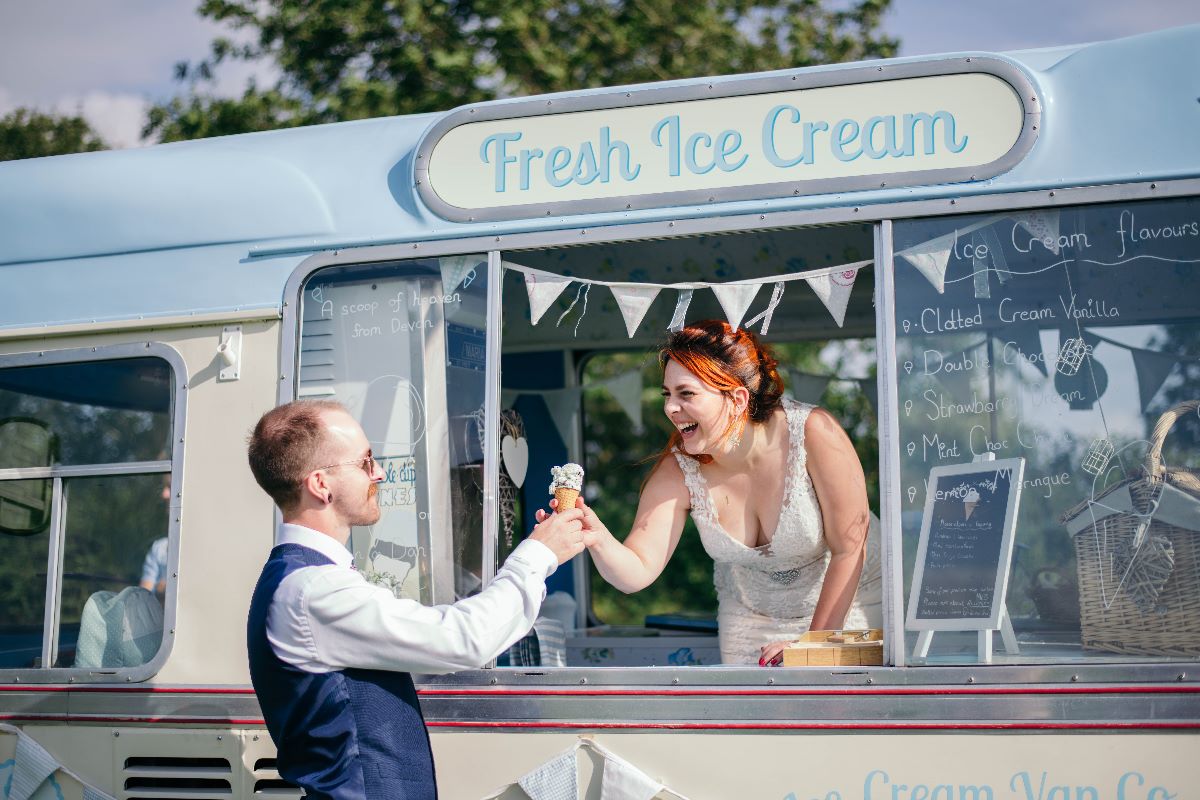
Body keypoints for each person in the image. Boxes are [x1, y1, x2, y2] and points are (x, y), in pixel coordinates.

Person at [246, 400, 585, 799]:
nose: (380, 472)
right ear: (321, 484)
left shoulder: (310, 582)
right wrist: (539, 553)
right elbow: (462, 639)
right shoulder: (312, 591)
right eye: (365, 461)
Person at [542, 320, 881, 666]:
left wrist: (813, 648)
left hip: (847, 601)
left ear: (736, 398)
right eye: (667, 395)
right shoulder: (679, 467)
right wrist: (596, 536)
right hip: (751, 615)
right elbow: (636, 572)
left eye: (686, 394)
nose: (671, 408)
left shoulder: (814, 432)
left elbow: (850, 549)